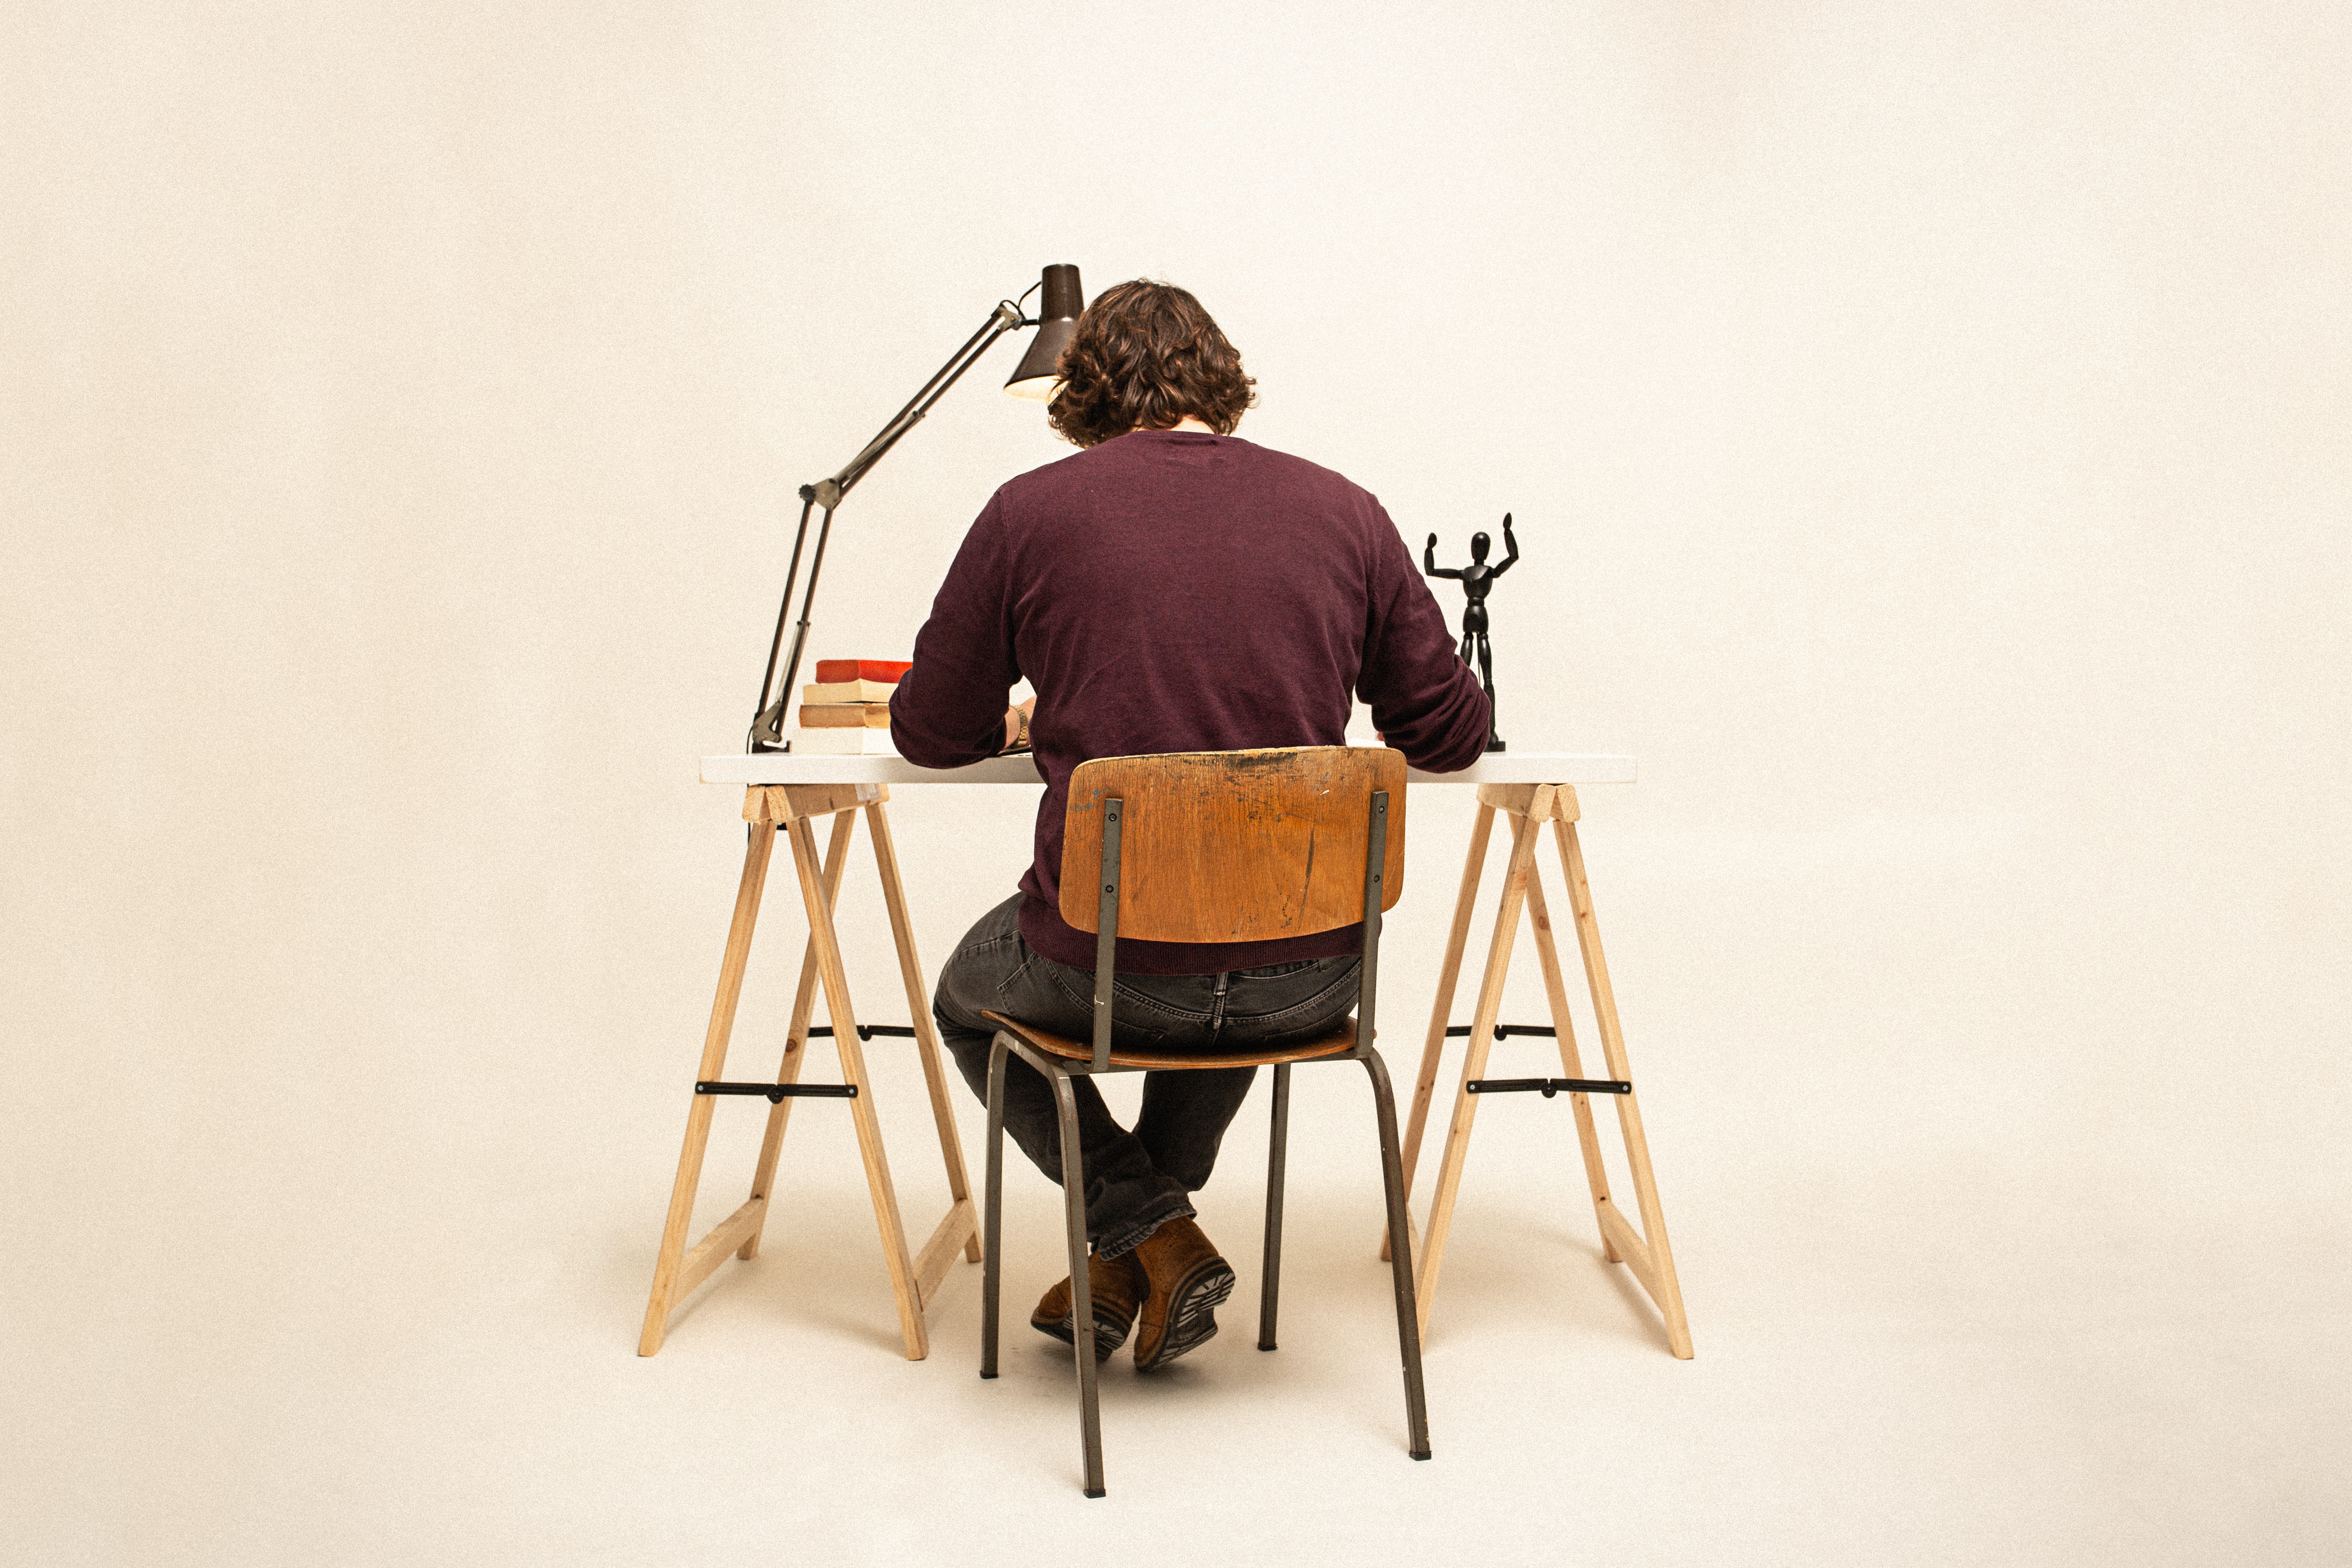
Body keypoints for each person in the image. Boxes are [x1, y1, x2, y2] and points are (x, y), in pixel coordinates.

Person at [890, 280, 1490, 1372]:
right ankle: (1142, 1249)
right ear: (1219, 377)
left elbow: (930, 732)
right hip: (1311, 975)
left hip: (1111, 972)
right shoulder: (1344, 509)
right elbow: (1445, 735)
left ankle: (1147, 1230)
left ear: (1081, 392)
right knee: (1234, 926)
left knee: (967, 999)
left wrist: (1024, 713)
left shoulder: (1030, 512)